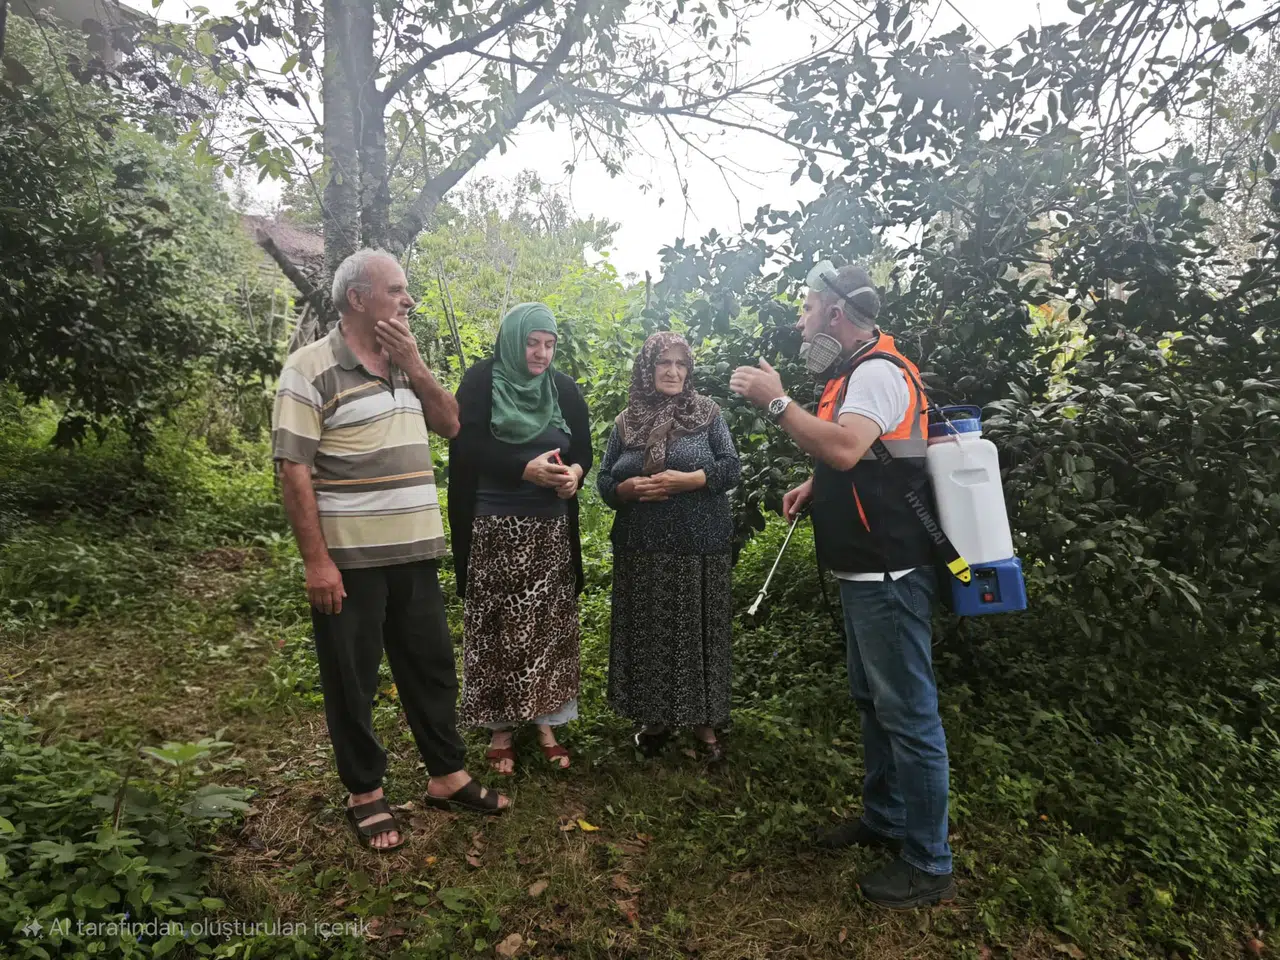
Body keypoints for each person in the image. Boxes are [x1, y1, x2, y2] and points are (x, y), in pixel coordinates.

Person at [729, 260, 955, 909]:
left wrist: (775, 402)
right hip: (864, 572)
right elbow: (852, 458)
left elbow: (848, 448)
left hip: (889, 575)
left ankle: (929, 860)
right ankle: (884, 817)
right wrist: (816, 487)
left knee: (909, 716)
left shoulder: (878, 372)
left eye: (805, 307)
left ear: (834, 312)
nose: (800, 320)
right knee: (873, 703)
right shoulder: (855, 375)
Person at [271, 249, 509, 854]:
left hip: (415, 552)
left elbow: (453, 424)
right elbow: (293, 469)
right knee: (351, 677)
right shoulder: (309, 367)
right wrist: (316, 561)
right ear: (358, 298)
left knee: (429, 667)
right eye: (397, 290)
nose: (409, 301)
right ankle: (364, 791)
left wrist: (418, 365)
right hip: (349, 560)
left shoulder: (406, 363)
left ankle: (446, 774)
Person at [448, 303, 593, 774]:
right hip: (493, 526)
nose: (541, 354)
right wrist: (520, 467)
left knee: (548, 629)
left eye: (549, 345)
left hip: (550, 529)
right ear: (514, 340)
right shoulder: (481, 381)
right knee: (498, 629)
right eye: (533, 343)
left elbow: (584, 451)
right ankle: (501, 728)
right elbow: (465, 444)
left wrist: (573, 474)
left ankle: (546, 722)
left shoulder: (564, 389)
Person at [597, 332, 741, 761]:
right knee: (651, 631)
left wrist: (693, 479)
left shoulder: (708, 413)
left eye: (681, 363)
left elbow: (731, 466)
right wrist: (624, 489)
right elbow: (604, 481)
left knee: (699, 632)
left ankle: (704, 724)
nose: (673, 371)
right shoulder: (626, 422)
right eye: (664, 363)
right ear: (647, 369)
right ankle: (654, 719)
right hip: (642, 546)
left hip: (699, 543)